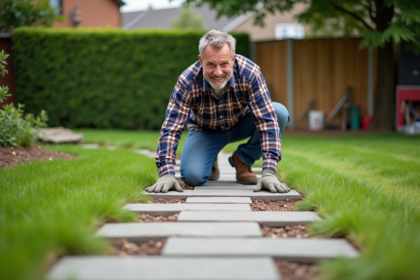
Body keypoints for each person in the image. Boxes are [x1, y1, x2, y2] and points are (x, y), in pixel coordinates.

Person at [146, 30, 290, 194]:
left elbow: (267, 121)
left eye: (224, 64)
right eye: (211, 65)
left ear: (233, 59)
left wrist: (269, 172)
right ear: (201, 61)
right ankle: (210, 158)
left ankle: (243, 159)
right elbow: (172, 127)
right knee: (193, 177)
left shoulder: (250, 73)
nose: (218, 72)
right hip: (205, 131)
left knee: (278, 112)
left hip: (241, 124)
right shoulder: (187, 81)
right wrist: (166, 174)